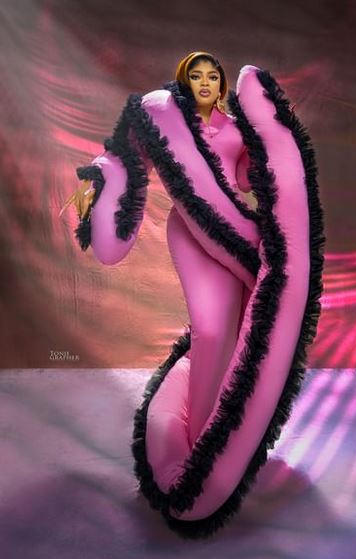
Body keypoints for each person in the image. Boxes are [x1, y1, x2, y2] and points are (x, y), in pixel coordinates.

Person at [60, 51, 256, 445]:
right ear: (185, 81)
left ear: (221, 84)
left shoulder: (236, 128)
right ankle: (201, 438)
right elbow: (126, 158)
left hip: (235, 234)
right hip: (189, 230)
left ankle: (229, 432)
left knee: (234, 330)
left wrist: (269, 143)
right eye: (196, 76)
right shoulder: (169, 121)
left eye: (212, 76)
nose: (205, 83)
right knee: (209, 332)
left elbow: (245, 180)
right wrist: (97, 180)